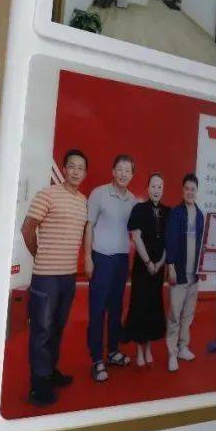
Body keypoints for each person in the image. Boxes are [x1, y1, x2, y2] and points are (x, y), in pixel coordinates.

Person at [20, 149, 89, 406]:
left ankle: (50, 372)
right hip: (46, 277)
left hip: (68, 277)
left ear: (85, 173)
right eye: (72, 166)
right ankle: (38, 387)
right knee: (42, 330)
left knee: (58, 327)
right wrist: (40, 255)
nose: (75, 171)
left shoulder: (83, 201)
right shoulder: (47, 195)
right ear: (64, 168)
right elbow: (27, 229)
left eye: (80, 168)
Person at [85, 155, 137, 382]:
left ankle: (113, 351)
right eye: (120, 169)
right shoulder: (98, 194)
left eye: (128, 171)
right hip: (101, 259)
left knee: (116, 309)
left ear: (132, 175)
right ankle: (97, 359)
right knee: (97, 310)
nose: (124, 174)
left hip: (121, 260)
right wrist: (87, 257)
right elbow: (89, 226)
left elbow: (135, 233)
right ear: (113, 171)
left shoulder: (132, 200)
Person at [124, 173, 169, 367]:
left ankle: (148, 347)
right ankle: (138, 351)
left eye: (160, 187)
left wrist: (160, 263)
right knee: (139, 307)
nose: (156, 190)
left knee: (153, 307)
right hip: (142, 268)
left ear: (163, 190)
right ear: (147, 188)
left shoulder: (167, 212)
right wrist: (149, 262)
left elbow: (169, 242)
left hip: (158, 269)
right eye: (153, 186)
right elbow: (136, 237)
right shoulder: (139, 209)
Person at [164, 173, 205, 372]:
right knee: (174, 315)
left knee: (187, 315)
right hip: (178, 274)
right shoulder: (176, 213)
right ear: (183, 190)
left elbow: (202, 244)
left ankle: (182, 348)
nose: (190, 192)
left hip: (193, 275)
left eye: (193, 189)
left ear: (197, 192)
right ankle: (172, 353)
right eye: (187, 189)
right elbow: (170, 241)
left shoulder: (200, 215)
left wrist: (203, 267)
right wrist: (170, 266)